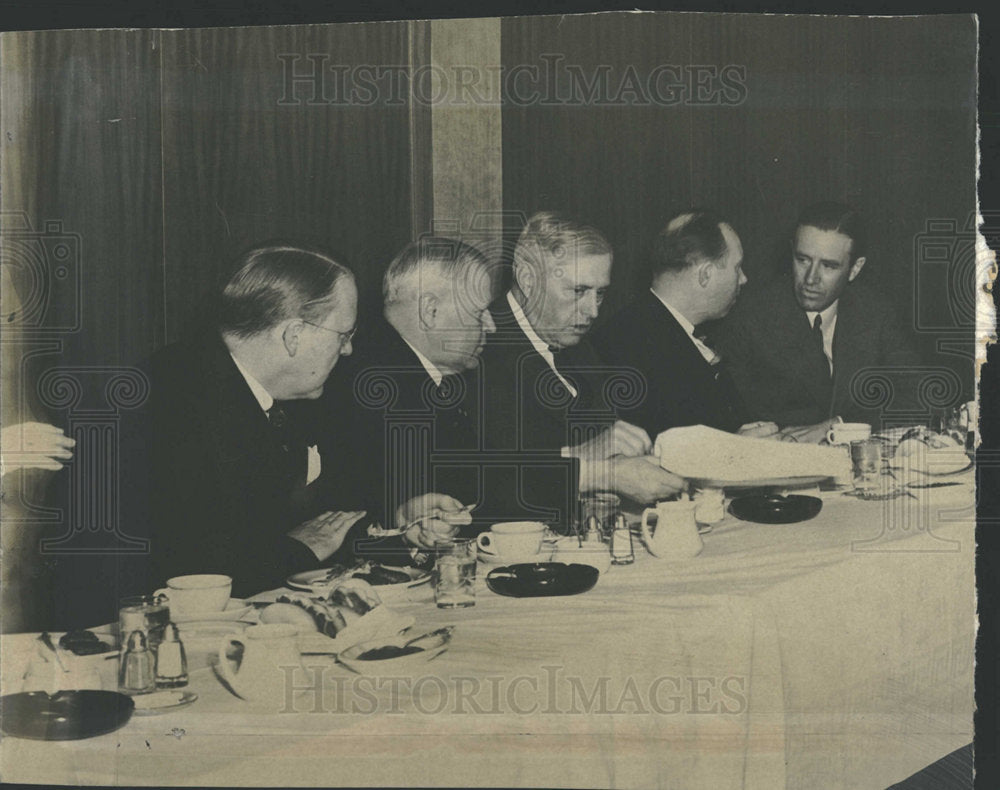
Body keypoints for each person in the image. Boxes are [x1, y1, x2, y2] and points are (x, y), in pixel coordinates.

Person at [133, 245, 466, 600]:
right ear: (293, 336)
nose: (349, 350)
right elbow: (199, 570)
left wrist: (397, 525)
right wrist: (298, 551)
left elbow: (316, 526)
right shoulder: (174, 403)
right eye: (343, 335)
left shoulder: (265, 392)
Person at [319, 236, 582, 539]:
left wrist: (574, 461)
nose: (491, 325)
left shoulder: (426, 370)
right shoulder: (373, 383)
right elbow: (473, 489)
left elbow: (486, 474)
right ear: (430, 311)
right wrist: (583, 475)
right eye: (479, 311)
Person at [479, 211, 684, 503]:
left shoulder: (577, 345)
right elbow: (489, 478)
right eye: (578, 291)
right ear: (527, 278)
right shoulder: (479, 349)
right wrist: (590, 454)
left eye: (600, 294)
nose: (593, 311)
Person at [716, 202, 921, 440]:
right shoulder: (750, 317)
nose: (811, 279)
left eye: (828, 266)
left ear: (855, 269)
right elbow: (728, 418)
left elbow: (917, 394)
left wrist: (838, 426)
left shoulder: (876, 312)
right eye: (802, 260)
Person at [592, 209, 779, 440]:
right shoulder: (627, 347)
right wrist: (736, 447)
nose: (743, 278)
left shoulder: (661, 328)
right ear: (705, 275)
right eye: (737, 267)